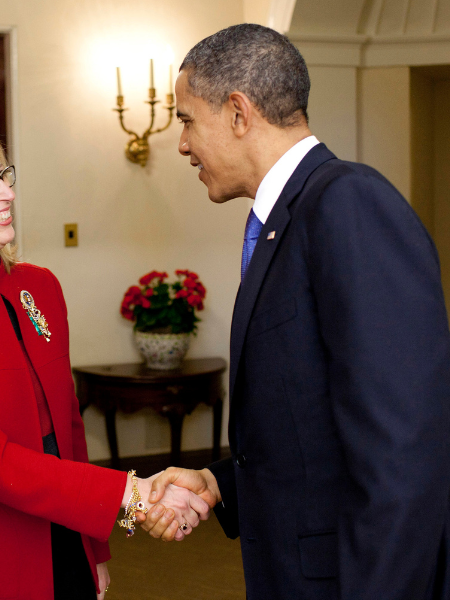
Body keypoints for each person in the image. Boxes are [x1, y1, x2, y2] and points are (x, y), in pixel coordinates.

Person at [140, 23, 450, 600]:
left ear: (238, 112)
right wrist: (217, 482)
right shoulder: (289, 217)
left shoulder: (348, 202)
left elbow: (402, 449)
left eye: (186, 120)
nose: (181, 144)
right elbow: (311, 423)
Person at [0, 119, 209, 600]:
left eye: (4, 176)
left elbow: (67, 429)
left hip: (62, 538)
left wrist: (94, 550)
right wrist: (129, 495)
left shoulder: (38, 286)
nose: (6, 193)